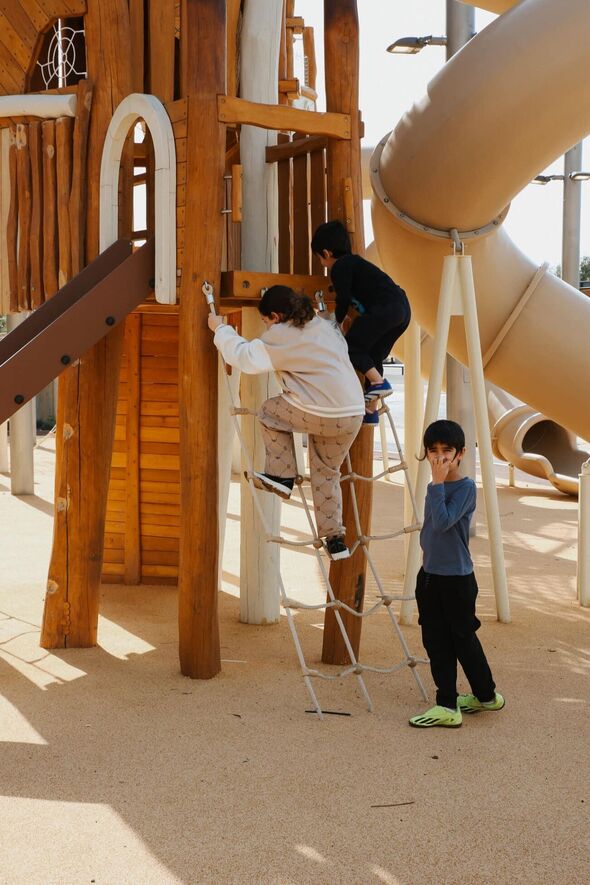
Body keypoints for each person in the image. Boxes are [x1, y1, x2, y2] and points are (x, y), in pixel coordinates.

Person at [207, 285, 364, 561]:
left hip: (318, 409)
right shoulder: (321, 324)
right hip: (351, 413)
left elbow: (246, 358)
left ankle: (282, 475)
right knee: (327, 471)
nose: (266, 328)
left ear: (276, 316)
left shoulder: (281, 335)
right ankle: (335, 539)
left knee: (269, 412)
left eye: (266, 322)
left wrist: (221, 330)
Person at [409, 419, 505, 728]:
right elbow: (431, 533)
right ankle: (451, 701)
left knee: (462, 639)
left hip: (456, 580)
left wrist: (437, 484)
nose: (439, 458)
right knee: (435, 640)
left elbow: (443, 522)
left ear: (460, 453)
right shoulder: (433, 487)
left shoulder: (465, 488)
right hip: (431, 576)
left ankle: (479, 697)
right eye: (433, 451)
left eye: (446, 451)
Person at [310, 220, 411, 425]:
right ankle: (371, 410)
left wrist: (334, 323)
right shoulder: (357, 265)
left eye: (320, 258)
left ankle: (378, 382)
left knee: (351, 347)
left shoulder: (340, 267)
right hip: (402, 310)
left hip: (386, 309)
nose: (322, 262)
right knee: (372, 356)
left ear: (326, 253)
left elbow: (344, 299)